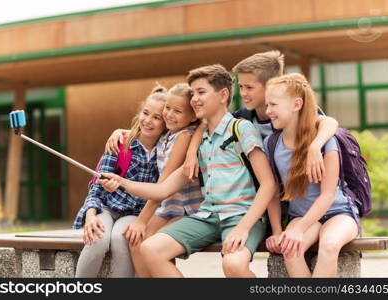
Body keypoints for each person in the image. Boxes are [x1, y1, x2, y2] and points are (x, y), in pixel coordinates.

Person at [100, 64, 277, 278]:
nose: (194, 99)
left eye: (201, 92)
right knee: (150, 249)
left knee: (233, 265)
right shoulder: (198, 140)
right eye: (192, 93)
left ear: (223, 95)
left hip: (241, 215)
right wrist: (121, 181)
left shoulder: (241, 129)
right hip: (207, 216)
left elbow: (268, 184)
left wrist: (243, 228)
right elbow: (164, 189)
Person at [183, 50, 339, 185]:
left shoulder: (293, 112)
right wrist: (191, 153)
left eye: (249, 87)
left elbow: (330, 122)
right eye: (241, 86)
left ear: (272, 85)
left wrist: (315, 147)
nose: (243, 93)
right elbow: (206, 124)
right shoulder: (242, 118)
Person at [264, 73, 359, 277]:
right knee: (290, 250)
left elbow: (327, 195)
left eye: (273, 104)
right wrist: (278, 232)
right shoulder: (271, 145)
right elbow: (272, 191)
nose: (268, 111)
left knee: (329, 246)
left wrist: (299, 230)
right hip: (301, 216)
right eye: (267, 105)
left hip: (339, 213)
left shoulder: (325, 141)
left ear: (297, 104)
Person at [73, 84, 167, 277]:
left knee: (121, 238)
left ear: (166, 123)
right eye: (145, 113)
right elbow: (95, 188)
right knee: (97, 238)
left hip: (136, 213)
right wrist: (90, 215)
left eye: (156, 118)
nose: (148, 121)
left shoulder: (166, 152)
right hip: (105, 208)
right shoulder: (120, 143)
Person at [122, 83, 203, 277]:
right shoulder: (167, 135)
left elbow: (164, 184)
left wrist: (142, 221)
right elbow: (142, 131)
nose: (169, 114)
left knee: (150, 242)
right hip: (168, 208)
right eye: (167, 108)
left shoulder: (184, 136)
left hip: (186, 209)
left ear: (192, 117)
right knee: (136, 241)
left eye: (177, 111)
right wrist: (120, 132)